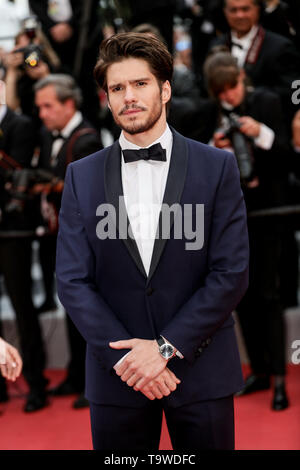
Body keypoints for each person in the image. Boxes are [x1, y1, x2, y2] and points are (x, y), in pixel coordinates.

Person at [56, 32, 249, 450]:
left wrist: (164, 348)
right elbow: (72, 280)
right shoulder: (81, 175)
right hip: (116, 375)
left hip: (201, 368)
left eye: (140, 84)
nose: (129, 96)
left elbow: (230, 273)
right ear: (106, 98)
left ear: (164, 89)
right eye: (117, 88)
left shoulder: (217, 166)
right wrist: (130, 359)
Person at [203, 50, 290, 410]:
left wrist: (262, 134)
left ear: (242, 80)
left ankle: (280, 378)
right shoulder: (213, 114)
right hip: (234, 219)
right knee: (242, 296)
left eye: (233, 88)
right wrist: (215, 148)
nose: (229, 96)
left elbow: (288, 153)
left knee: (270, 296)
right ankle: (258, 369)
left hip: (271, 211)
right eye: (221, 91)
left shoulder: (267, 102)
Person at [34, 74, 102, 408]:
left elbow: (81, 194)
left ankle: (93, 382)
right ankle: (76, 376)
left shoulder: (86, 138)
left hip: (85, 241)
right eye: (39, 107)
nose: (42, 114)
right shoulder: (48, 138)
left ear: (69, 104)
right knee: (71, 310)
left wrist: (48, 186)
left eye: (48, 106)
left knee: (88, 312)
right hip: (57, 236)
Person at [0, 81, 48, 412]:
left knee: (22, 308)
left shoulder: (20, 124)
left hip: (13, 231)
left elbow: (17, 174)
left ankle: (36, 384)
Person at [210, 0, 300, 122]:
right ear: (225, 11)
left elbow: (293, 94)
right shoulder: (215, 45)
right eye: (233, 10)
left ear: (258, 9)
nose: (239, 15)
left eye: (245, 9)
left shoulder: (280, 46)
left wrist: (248, 92)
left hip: (269, 126)